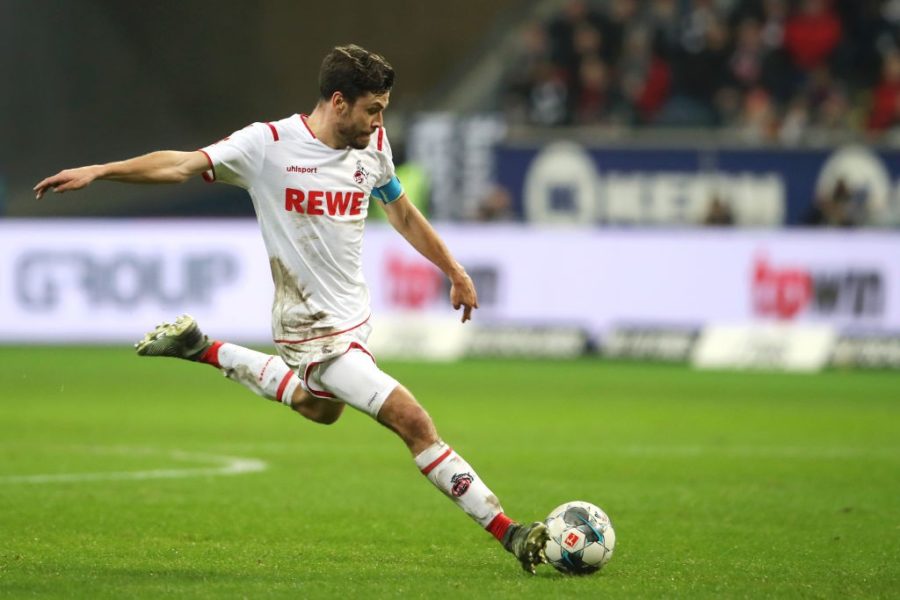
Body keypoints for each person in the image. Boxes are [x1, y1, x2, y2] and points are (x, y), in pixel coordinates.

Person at [34, 44, 549, 574]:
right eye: (372, 109)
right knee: (412, 421)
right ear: (339, 102)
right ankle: (509, 531)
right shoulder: (268, 145)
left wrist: (454, 270)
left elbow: (401, 212)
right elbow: (180, 165)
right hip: (309, 330)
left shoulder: (373, 146)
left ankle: (202, 347)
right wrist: (101, 170)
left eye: (383, 110)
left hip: (355, 321)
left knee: (318, 408)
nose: (379, 122)